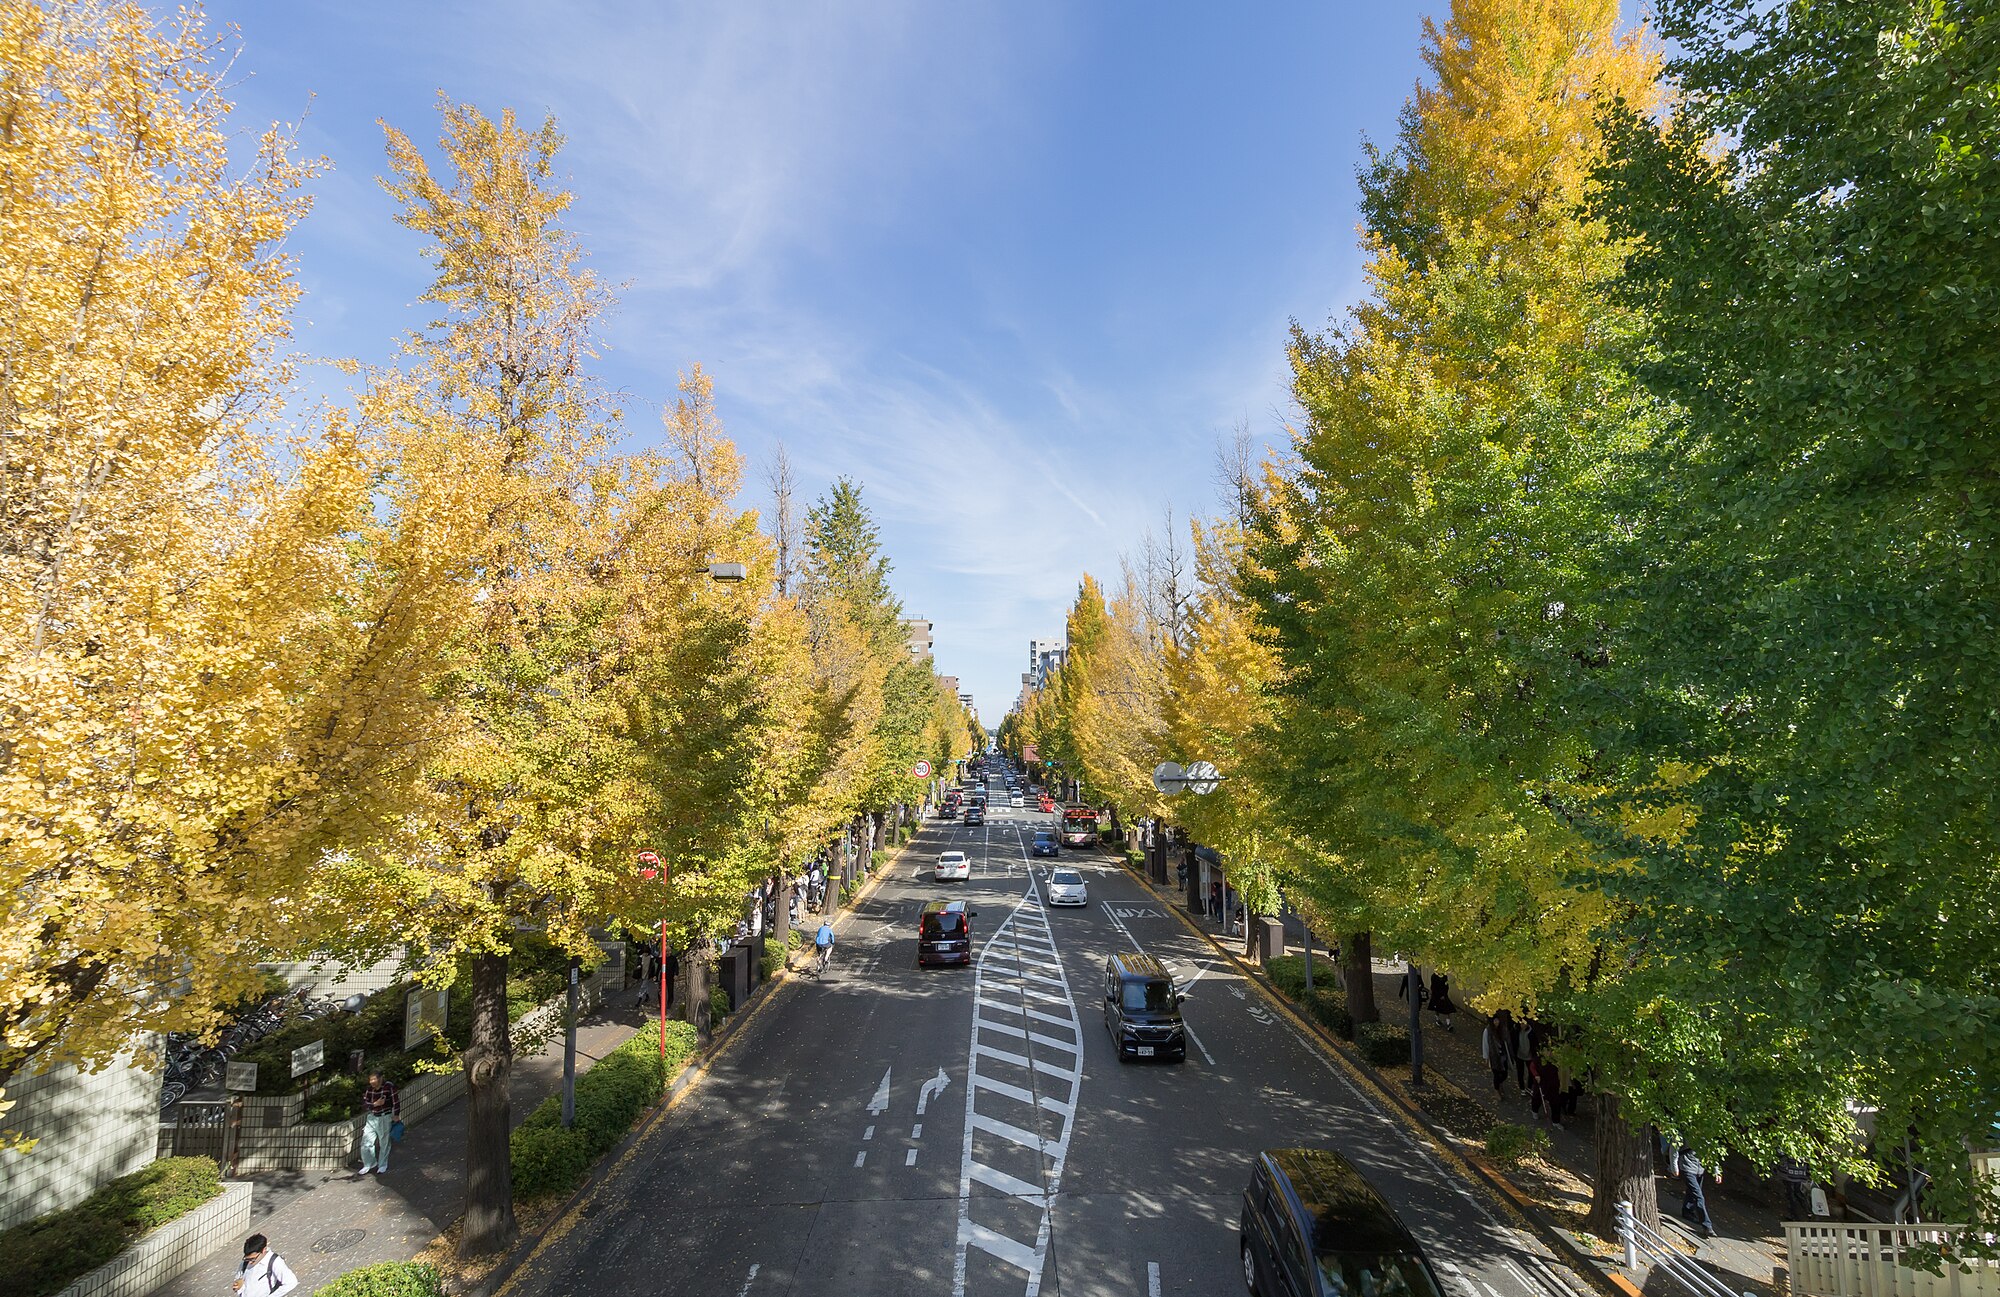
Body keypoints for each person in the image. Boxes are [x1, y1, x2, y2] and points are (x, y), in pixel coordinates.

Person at [356, 1071, 399, 1175]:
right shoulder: (369, 1090)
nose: (372, 1082)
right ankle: (369, 1164)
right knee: (366, 1141)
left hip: (385, 1116)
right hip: (372, 1117)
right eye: (371, 1080)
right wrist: (375, 1104)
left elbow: (395, 1101)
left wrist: (396, 1114)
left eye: (374, 1079)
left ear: (380, 1079)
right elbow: (365, 1105)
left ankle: (382, 1165)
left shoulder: (388, 1086)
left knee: (384, 1142)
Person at [1680, 1146, 1717, 1238]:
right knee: (1699, 1197)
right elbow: (1674, 1149)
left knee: (1693, 1192)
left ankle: (1687, 1211)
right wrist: (1674, 1167)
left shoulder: (1708, 1136)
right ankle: (1707, 1226)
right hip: (1687, 1168)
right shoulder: (1687, 1134)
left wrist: (1717, 1172)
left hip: (1699, 1169)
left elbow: (1712, 1153)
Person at [1482, 1010, 1520, 1097]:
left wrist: (1511, 1054)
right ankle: (1496, 1089)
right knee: (1496, 1074)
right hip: (1494, 1056)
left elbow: (1508, 1042)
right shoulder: (1488, 1031)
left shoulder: (1503, 1030)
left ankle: (1499, 1084)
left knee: (1504, 1073)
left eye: (1497, 1020)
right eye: (1494, 1020)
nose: (1496, 1022)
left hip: (1503, 1055)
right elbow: (1485, 1044)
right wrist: (1486, 1057)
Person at [1778, 1157, 1814, 1221]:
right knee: (1797, 1192)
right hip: (1800, 1173)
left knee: (1791, 1194)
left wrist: (1783, 1169)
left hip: (1790, 1173)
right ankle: (1808, 1211)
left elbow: (1783, 1159)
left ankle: (1794, 1214)